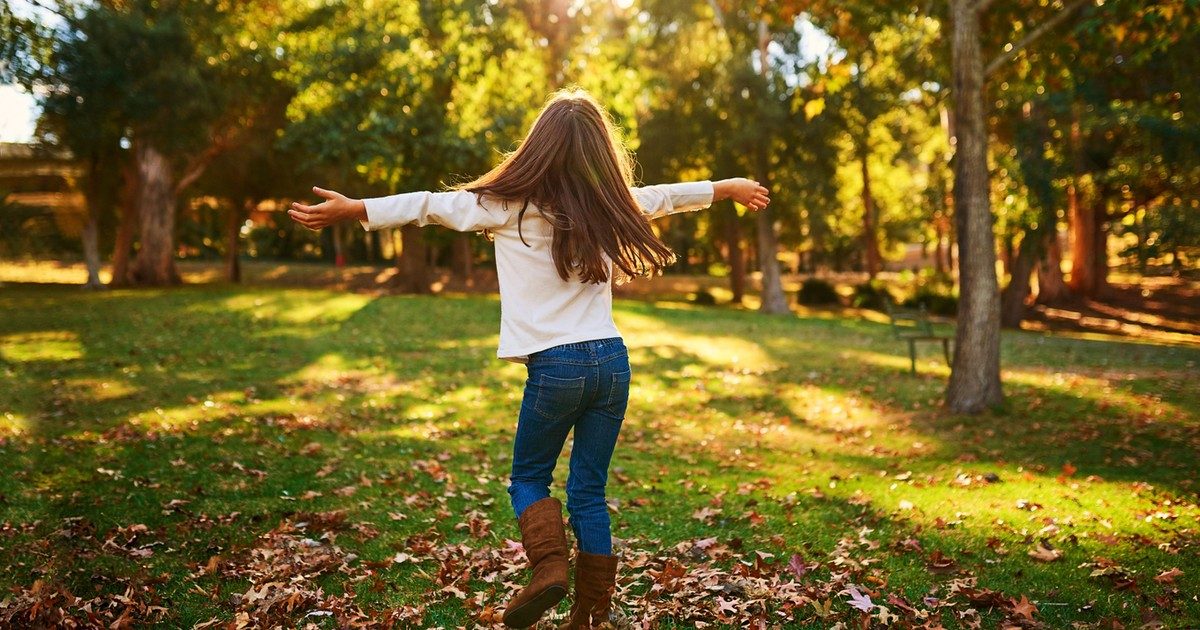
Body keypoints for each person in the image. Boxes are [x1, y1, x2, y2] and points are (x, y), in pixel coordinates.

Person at [288, 89, 770, 629]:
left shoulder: (504, 205)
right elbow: (661, 196)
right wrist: (724, 188)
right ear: (598, 153)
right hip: (612, 362)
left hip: (555, 367)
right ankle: (590, 616)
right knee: (589, 491)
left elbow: (429, 204)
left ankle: (548, 571)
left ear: (537, 147)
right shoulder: (610, 203)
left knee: (528, 479)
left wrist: (357, 209)